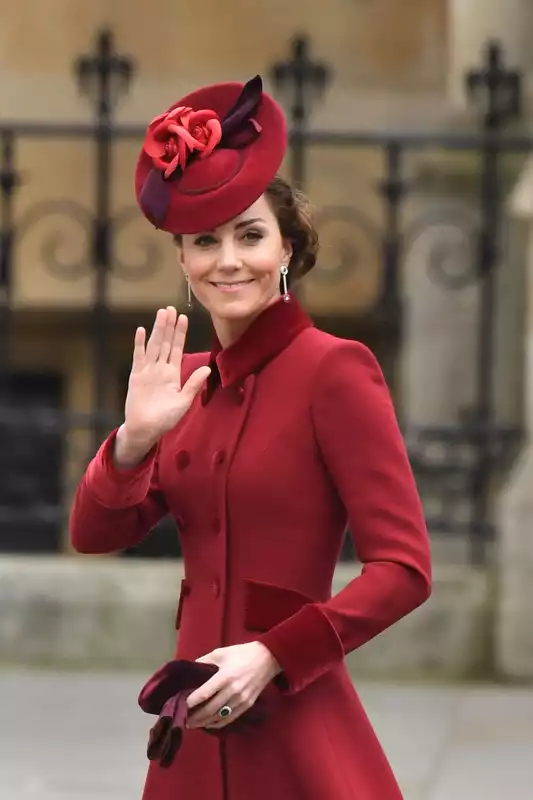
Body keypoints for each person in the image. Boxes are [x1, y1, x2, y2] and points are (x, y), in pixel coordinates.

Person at [69, 74, 431, 800]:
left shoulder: (335, 371)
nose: (227, 260)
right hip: (193, 741)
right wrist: (134, 441)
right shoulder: (183, 382)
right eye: (204, 241)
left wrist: (273, 653)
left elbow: (404, 569)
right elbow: (93, 535)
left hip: (297, 727)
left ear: (289, 250)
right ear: (182, 260)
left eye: (250, 235)